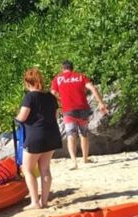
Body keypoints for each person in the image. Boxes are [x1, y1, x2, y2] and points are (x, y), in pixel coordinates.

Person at [15, 67, 62, 209]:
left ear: (27, 82)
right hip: (52, 134)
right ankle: (45, 201)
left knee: (27, 169)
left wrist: (15, 119)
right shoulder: (51, 97)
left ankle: (35, 202)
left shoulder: (30, 97)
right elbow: (55, 117)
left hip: (35, 136)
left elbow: (22, 117)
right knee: (45, 169)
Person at [50, 60, 108, 168]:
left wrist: (59, 100)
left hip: (68, 110)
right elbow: (93, 88)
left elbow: (52, 94)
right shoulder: (80, 76)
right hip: (83, 109)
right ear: (72, 68)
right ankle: (85, 159)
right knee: (84, 134)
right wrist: (101, 103)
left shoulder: (58, 79)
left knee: (71, 135)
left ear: (63, 68)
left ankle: (74, 162)